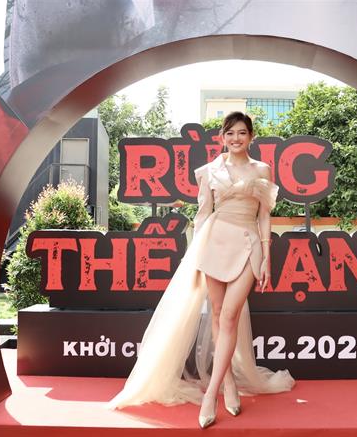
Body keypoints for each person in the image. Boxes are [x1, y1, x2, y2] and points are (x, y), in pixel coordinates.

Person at [107, 112, 294, 428]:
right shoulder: (209, 171)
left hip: (248, 242)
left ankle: (210, 396)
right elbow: (203, 214)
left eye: (242, 133)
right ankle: (227, 382)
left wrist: (267, 257)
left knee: (230, 315)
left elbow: (264, 215)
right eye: (230, 133)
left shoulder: (261, 169)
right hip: (213, 241)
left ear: (251, 137)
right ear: (222, 137)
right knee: (218, 313)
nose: (235, 138)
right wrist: (194, 256)